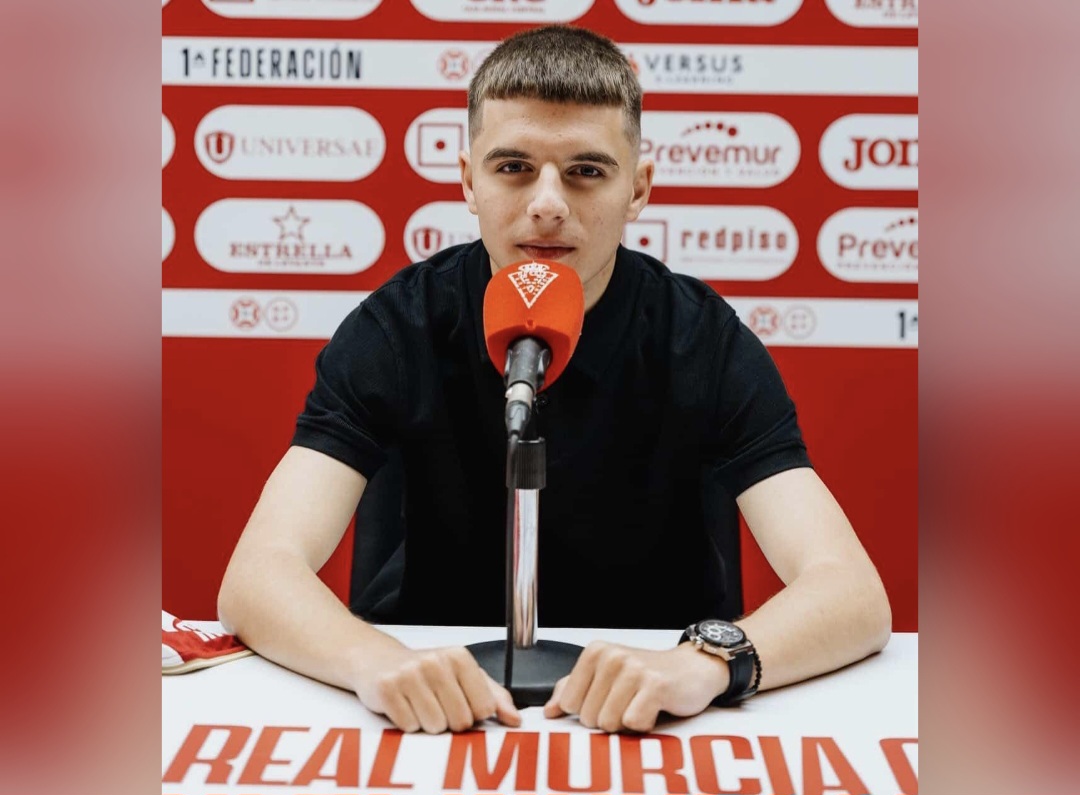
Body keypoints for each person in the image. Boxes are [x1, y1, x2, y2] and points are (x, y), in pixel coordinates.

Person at [218, 25, 892, 735]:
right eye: (513, 167)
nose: (547, 203)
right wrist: (374, 660)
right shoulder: (398, 325)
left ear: (638, 188)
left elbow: (850, 590)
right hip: (439, 714)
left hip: (649, 719)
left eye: (586, 171)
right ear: (468, 181)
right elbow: (258, 573)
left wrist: (703, 663)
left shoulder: (701, 337)